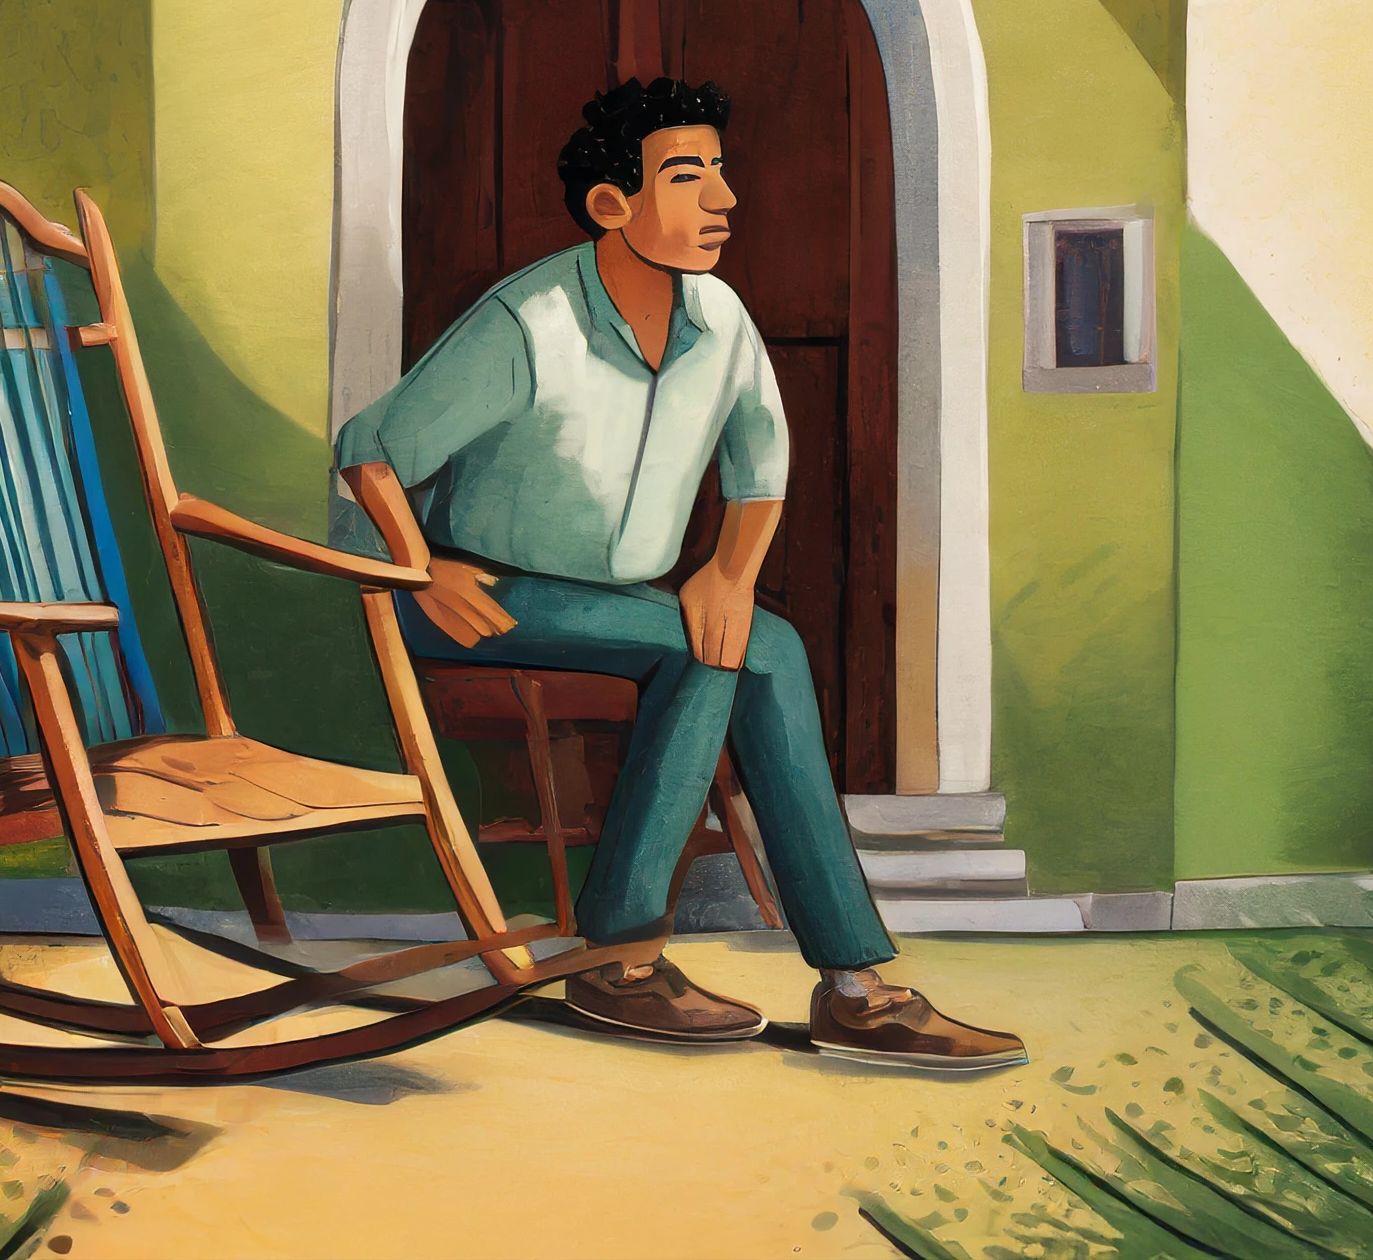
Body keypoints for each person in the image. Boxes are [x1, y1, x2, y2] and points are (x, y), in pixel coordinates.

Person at [336, 76, 1024, 1069]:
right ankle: (713, 972)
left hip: (615, 603)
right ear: (610, 204)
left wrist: (729, 574)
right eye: (688, 175)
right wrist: (420, 568)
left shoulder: (720, 317)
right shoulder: (530, 319)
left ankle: (800, 980)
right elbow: (368, 448)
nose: (724, 198)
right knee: (733, 649)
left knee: (737, 639)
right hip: (476, 594)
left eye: (720, 171)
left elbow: (760, 469)